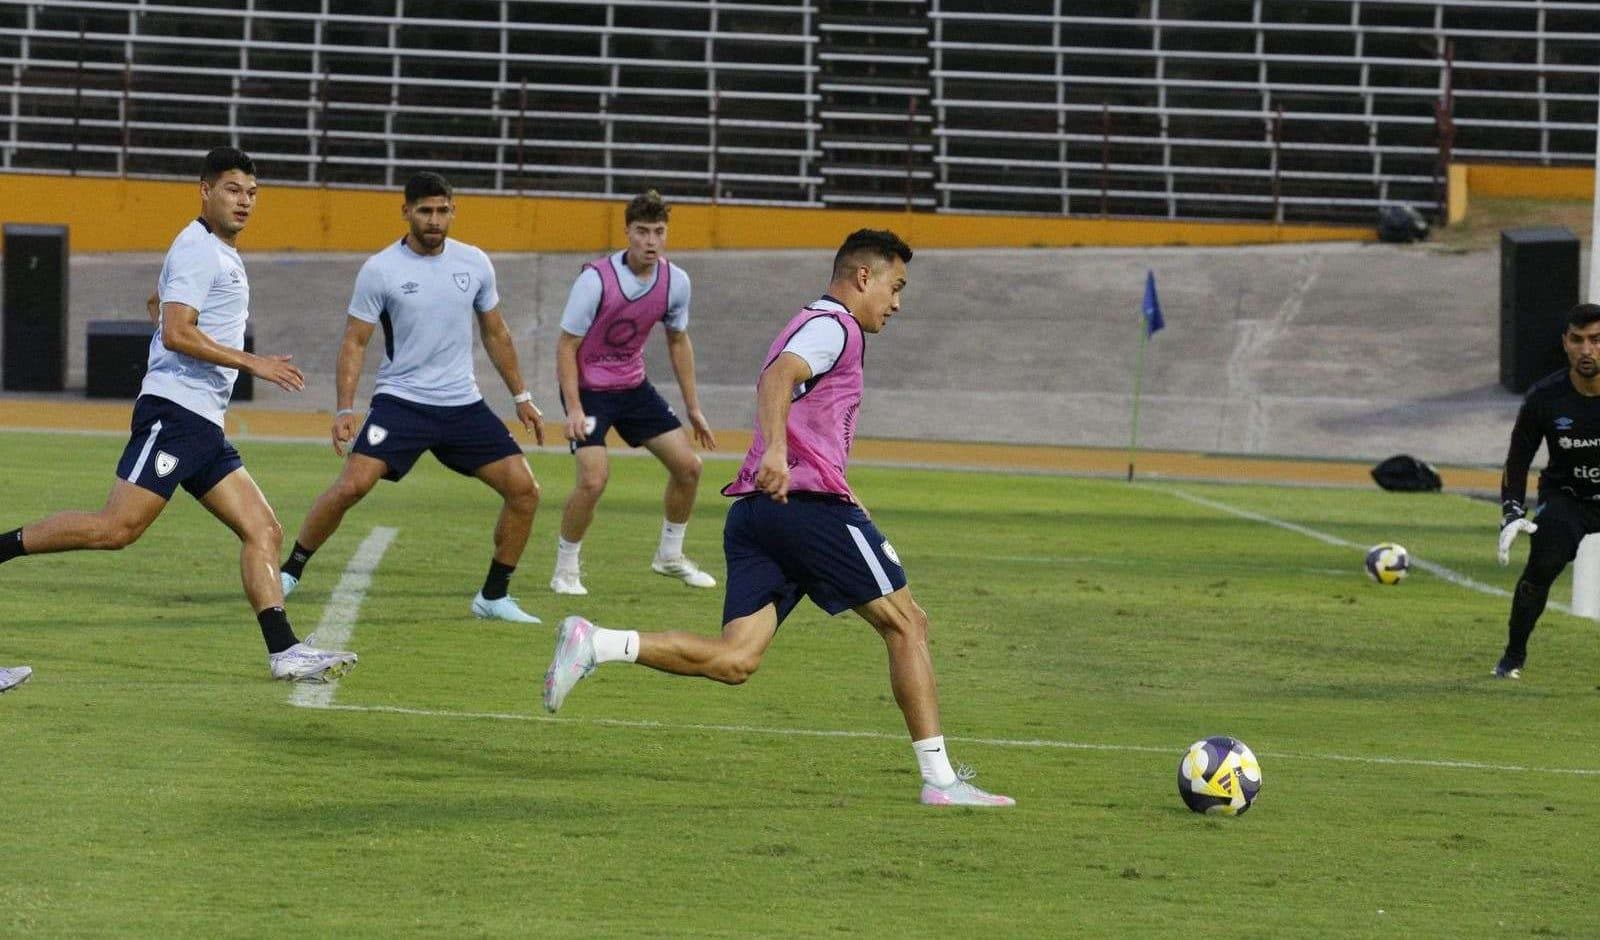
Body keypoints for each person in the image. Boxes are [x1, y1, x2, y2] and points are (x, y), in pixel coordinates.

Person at [542, 229, 1014, 808]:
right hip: (804, 510)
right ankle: (941, 782)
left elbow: (803, 410)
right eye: (896, 287)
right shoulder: (833, 326)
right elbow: (778, 377)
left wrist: (817, 472)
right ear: (864, 277)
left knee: (737, 658)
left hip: (759, 513)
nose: (897, 303)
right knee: (907, 623)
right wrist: (775, 454)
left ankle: (597, 643)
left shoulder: (815, 321)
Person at [0, 147, 356, 682]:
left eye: (252, 193)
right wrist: (250, 362)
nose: (244, 202)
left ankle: (284, 651)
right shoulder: (199, 249)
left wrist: (165, 301)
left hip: (203, 424)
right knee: (116, 528)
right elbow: (175, 331)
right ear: (205, 190)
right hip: (175, 413)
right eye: (233, 190)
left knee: (264, 528)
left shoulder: (213, 252)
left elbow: (168, 310)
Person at [278, 172, 547, 623]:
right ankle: (290, 571)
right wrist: (345, 408)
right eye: (425, 211)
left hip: (462, 404)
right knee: (352, 485)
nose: (435, 220)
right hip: (401, 402)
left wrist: (521, 395)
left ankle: (493, 596)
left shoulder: (475, 263)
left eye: (443, 210)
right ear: (406, 212)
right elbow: (355, 343)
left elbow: (496, 333)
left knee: (525, 491)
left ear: (453, 211)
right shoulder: (381, 270)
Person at [548, 190, 718, 596]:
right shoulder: (596, 281)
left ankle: (670, 556)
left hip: (633, 387)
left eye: (658, 231)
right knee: (593, 480)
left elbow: (678, 340)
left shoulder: (676, 282)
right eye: (642, 231)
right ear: (627, 232)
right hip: (589, 390)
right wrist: (572, 407)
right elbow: (566, 345)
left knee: (689, 468)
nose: (651, 241)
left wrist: (693, 407)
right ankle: (565, 569)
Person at [1494, 302, 1600, 680]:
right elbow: (1518, 459)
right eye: (1578, 340)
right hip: (1568, 498)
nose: (1587, 350)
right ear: (1565, 343)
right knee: (1539, 569)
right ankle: (1511, 658)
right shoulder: (1545, 397)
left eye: (1596, 340)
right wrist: (1511, 512)